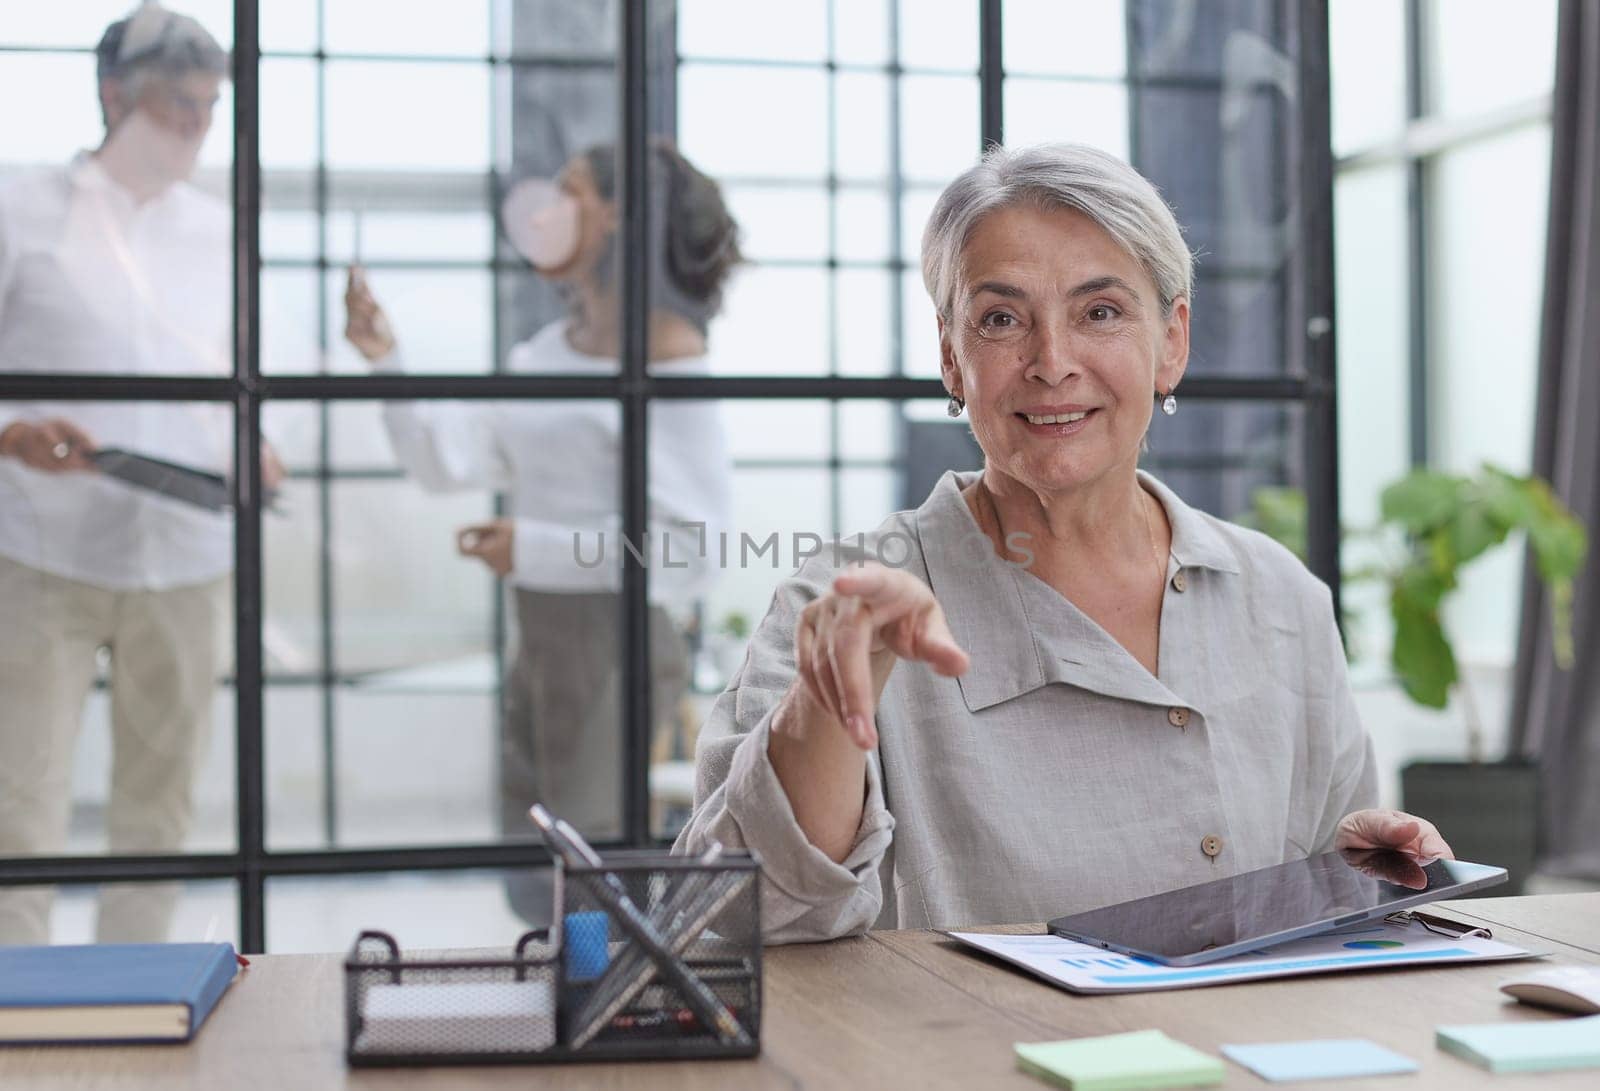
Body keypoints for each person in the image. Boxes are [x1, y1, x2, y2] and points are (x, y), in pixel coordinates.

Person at [674, 143, 1453, 943]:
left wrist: (1366, 874)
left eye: (1101, 312)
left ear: (1172, 340)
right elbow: (734, 910)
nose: (1052, 363)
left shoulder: (1278, 593)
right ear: (952, 355)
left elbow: (1327, 900)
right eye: (1002, 319)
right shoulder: (845, 595)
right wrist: (829, 707)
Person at [343, 139, 739, 921]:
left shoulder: (673, 365)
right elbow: (444, 460)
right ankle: (568, 1015)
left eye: (571, 190)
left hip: (617, 647)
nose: (545, 210)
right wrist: (386, 360)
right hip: (539, 639)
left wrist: (532, 546)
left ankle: (608, 1022)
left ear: (622, 218)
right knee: (535, 869)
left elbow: (690, 550)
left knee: (593, 870)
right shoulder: (544, 353)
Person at [0, 3, 282, 944]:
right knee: (19, 797)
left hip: (186, 555)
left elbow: (238, 380)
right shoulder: (20, 206)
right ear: (115, 97)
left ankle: (133, 994)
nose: (199, 123)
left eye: (209, 104)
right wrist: (14, 432)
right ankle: (15, 1008)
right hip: (42, 552)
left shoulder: (218, 230)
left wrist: (259, 446)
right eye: (177, 103)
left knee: (158, 809)